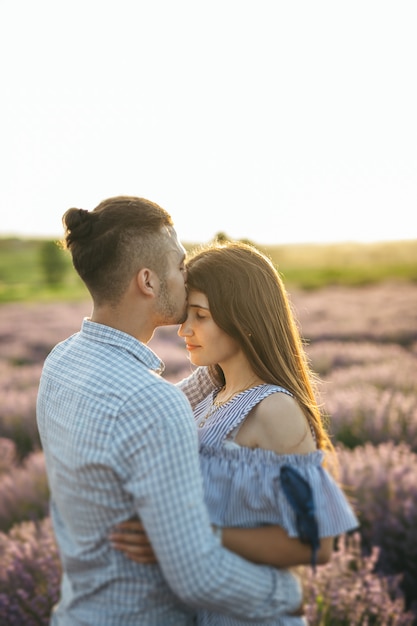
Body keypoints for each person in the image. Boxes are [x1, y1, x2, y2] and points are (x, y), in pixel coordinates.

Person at [36, 197, 304, 626]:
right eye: (180, 266)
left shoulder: (63, 361)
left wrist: (229, 345)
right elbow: (200, 577)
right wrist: (286, 592)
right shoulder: (149, 404)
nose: (186, 275)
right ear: (147, 280)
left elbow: (133, 419)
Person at [112, 240, 359, 625]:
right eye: (185, 315)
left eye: (200, 316)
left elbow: (316, 543)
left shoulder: (274, 409)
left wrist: (189, 536)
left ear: (243, 318)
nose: (184, 330)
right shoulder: (209, 391)